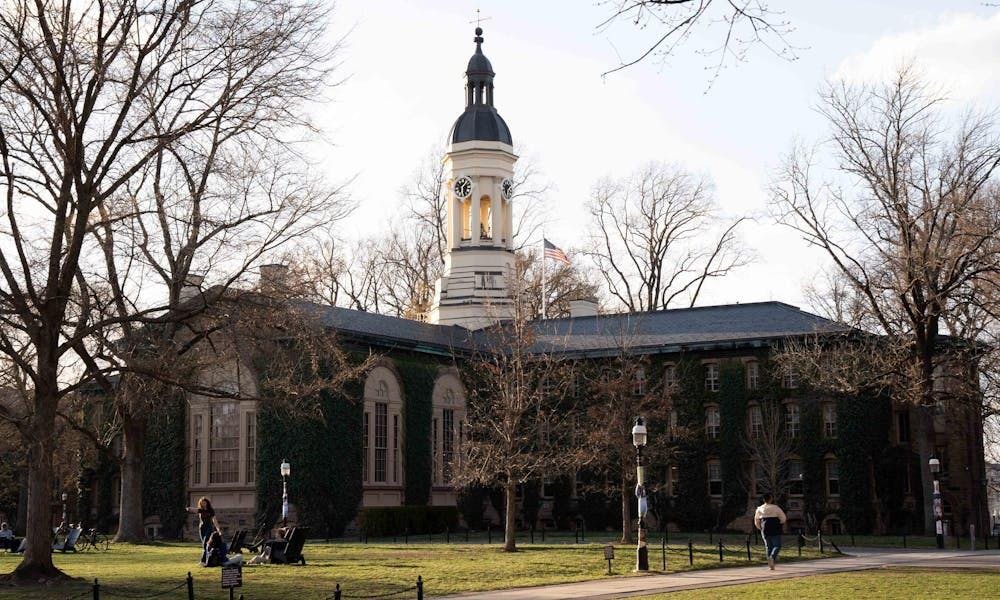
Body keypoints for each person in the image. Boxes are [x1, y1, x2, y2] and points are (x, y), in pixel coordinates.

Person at [754, 493, 787, 570]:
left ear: (763, 500)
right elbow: (783, 518)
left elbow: (756, 520)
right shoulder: (775, 508)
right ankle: (772, 557)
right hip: (774, 526)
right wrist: (780, 523)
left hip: (764, 527)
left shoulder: (759, 509)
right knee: (777, 545)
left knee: (768, 546)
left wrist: (760, 528)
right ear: (771, 499)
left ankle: (770, 563)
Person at [185, 497, 221, 564]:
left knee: (205, 543)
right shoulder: (200, 510)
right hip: (202, 528)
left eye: (204, 503)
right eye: (202, 503)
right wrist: (189, 509)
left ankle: (203, 560)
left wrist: (218, 529)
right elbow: (195, 510)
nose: (203, 504)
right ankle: (205, 560)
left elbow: (214, 520)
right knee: (204, 544)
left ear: (207, 503)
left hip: (209, 528)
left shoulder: (211, 510)